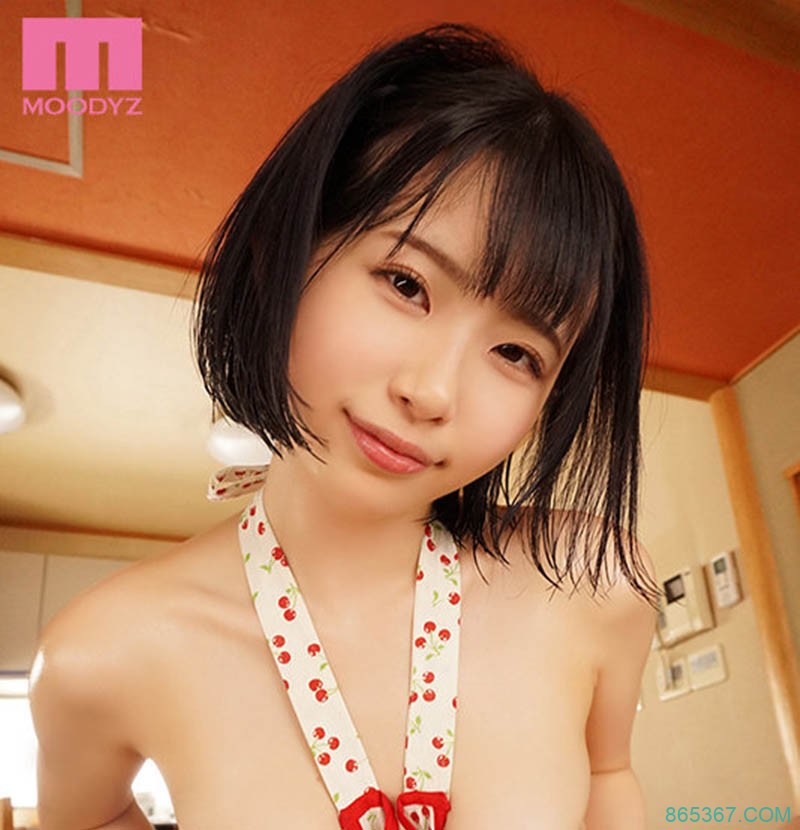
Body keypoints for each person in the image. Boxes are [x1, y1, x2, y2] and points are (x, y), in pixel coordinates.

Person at [29, 21, 660, 830]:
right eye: (406, 283)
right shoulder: (101, 653)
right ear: (286, 253)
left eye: (516, 353)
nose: (432, 391)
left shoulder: (595, 583)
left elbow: (609, 775)